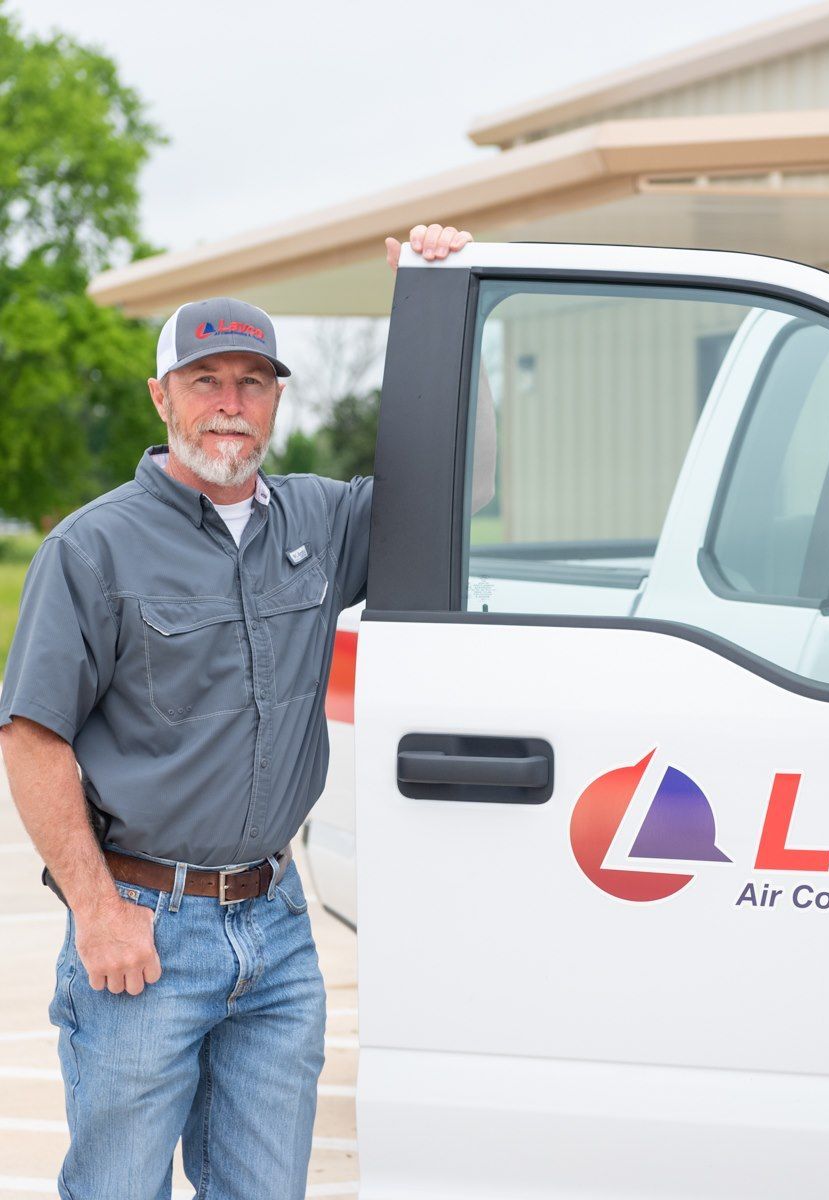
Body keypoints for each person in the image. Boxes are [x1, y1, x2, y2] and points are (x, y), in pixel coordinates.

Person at [0, 223, 483, 1199]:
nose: (230, 403)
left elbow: (439, 480)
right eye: (206, 379)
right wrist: (97, 911)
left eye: (253, 381)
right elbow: (31, 735)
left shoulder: (321, 523)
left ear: (275, 399)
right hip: (143, 934)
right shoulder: (93, 551)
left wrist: (432, 297)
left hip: (277, 930)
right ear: (162, 394)